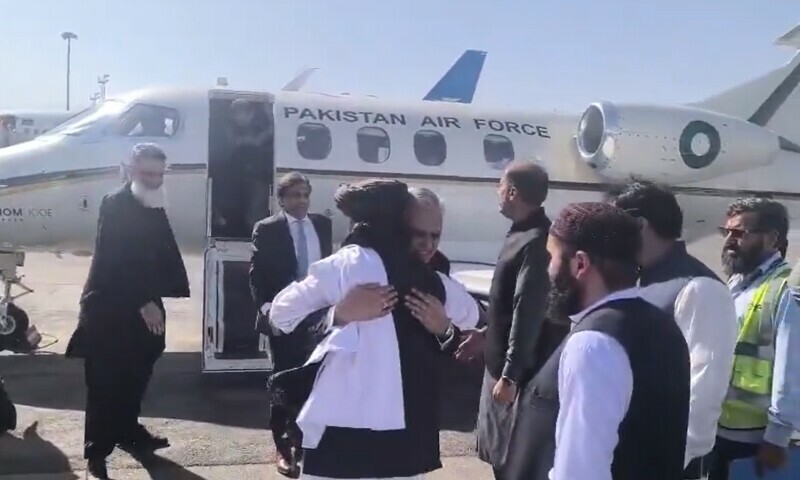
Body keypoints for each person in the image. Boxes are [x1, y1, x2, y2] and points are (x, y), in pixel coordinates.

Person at [268, 179, 479, 479]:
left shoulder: (426, 275)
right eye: (418, 234)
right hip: (363, 435)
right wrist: (339, 314)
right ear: (399, 224)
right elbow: (280, 316)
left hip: (392, 432)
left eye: (435, 236)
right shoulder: (423, 279)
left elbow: (281, 312)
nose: (428, 245)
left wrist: (443, 328)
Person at [516, 201, 690, 480]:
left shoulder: (593, 344)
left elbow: (580, 471)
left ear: (580, 263)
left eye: (551, 258)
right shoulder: (662, 325)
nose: (547, 270)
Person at [65, 143, 190, 480]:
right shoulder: (115, 203)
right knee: (105, 380)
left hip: (145, 302)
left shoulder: (154, 201)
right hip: (111, 304)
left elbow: (160, 252)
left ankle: (128, 432)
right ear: (132, 170)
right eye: (147, 174)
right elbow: (113, 259)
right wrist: (144, 302)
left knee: (138, 370)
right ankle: (97, 449)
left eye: (159, 174)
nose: (154, 180)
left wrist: (162, 294)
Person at [609, 181, 737, 479]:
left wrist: (668, 462)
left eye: (614, 225)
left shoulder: (700, 289)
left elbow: (703, 390)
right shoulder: (643, 281)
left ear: (639, 225)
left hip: (668, 464)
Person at [475, 161, 568, 479]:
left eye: (500, 185)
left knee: (513, 466)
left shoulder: (536, 241)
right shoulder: (522, 234)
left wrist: (511, 375)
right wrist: (485, 335)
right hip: (503, 370)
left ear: (512, 191)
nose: (497, 192)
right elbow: (506, 308)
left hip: (516, 380)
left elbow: (528, 309)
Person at [709, 197, 800, 479]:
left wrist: (777, 437)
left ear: (772, 239)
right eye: (727, 232)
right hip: (722, 430)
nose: (729, 241)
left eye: (740, 233)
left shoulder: (785, 289)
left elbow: (792, 365)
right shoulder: (738, 283)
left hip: (758, 441)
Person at [249, 172, 332, 478]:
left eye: (305, 195)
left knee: (314, 381)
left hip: (317, 316)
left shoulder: (322, 225)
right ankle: (283, 448)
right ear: (281, 199)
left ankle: (307, 445)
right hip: (284, 318)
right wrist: (271, 311)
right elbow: (257, 276)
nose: (301, 201)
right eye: (295, 195)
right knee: (284, 382)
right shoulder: (267, 229)